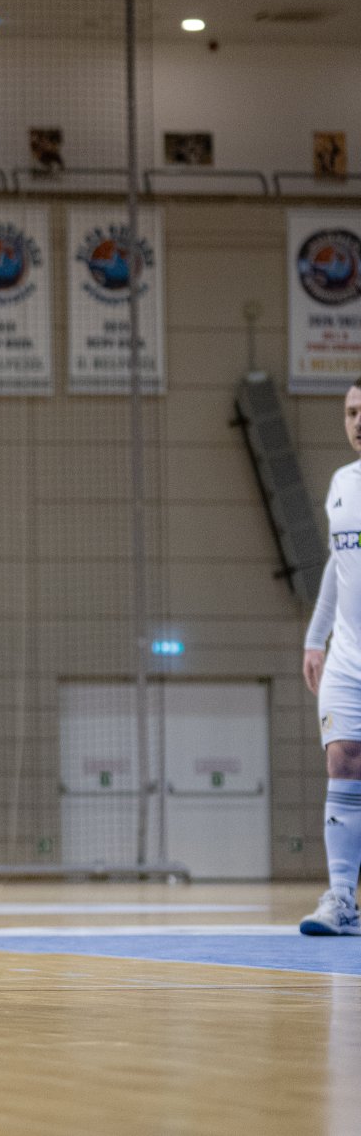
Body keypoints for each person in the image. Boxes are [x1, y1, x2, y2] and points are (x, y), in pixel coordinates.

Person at [299, 378, 361, 937]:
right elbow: (337, 566)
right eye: (351, 411)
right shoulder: (342, 484)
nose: (358, 421)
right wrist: (315, 638)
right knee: (342, 759)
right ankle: (341, 898)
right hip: (347, 656)